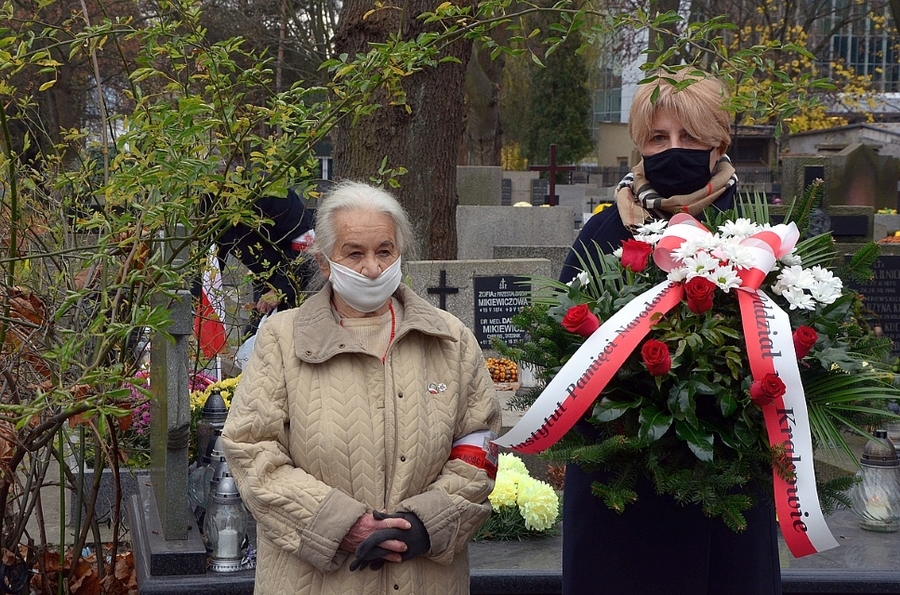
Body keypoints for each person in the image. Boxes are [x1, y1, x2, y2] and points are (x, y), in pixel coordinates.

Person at [558, 71, 782, 595]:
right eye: (659, 138)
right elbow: (563, 349)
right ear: (640, 144)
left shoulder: (756, 231)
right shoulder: (605, 231)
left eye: (690, 137)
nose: (673, 150)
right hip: (622, 492)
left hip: (726, 490)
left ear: (719, 143)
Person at [221, 180, 501, 595]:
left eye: (384, 251)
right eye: (354, 252)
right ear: (323, 262)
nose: (372, 267)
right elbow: (252, 449)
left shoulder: (450, 339)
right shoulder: (282, 339)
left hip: (427, 579)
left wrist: (427, 523)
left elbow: (479, 444)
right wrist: (340, 524)